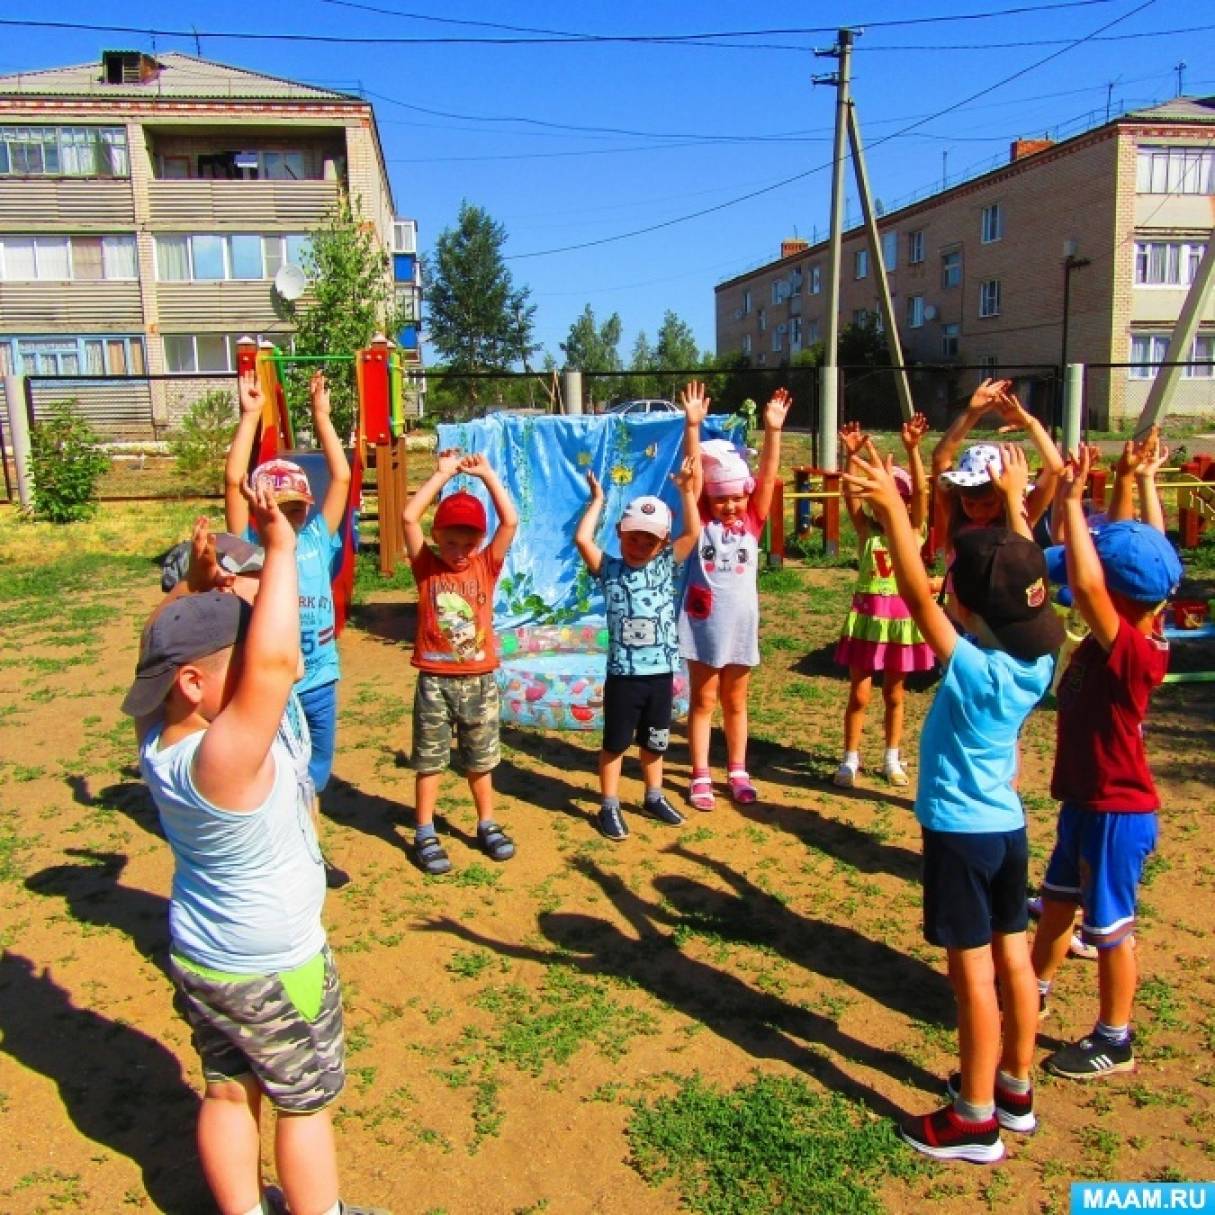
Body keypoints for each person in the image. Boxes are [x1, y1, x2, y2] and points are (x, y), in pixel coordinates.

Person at [122, 481, 386, 1215]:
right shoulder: (226, 762)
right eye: (241, 657)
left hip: (206, 955)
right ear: (194, 681)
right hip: (277, 965)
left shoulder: (158, 737)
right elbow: (275, 669)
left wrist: (192, 592)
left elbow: (170, 654)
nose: (264, 663)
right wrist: (279, 548)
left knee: (226, 1087)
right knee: (302, 1103)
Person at [844, 439, 1063, 1165]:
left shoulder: (970, 670)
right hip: (1006, 831)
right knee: (1013, 963)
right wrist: (1017, 503)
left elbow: (913, 589)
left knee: (972, 973)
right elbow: (1021, 567)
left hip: (961, 836)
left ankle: (973, 1119)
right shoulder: (1035, 661)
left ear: (960, 601)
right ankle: (1014, 1089)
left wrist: (894, 515)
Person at [1030, 447, 1182, 1080]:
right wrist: (1135, 482)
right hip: (1086, 804)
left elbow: (1096, 584)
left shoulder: (1133, 654)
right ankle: (1030, 987)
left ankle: (1114, 1037)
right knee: (1058, 902)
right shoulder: (1126, 626)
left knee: (1111, 927)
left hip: (1118, 813)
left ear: (1113, 605)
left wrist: (1070, 501)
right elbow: (1149, 555)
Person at [226, 368, 353, 889]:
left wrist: (322, 418)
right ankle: (277, 859)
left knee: (314, 773)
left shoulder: (318, 537)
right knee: (276, 774)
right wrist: (251, 416)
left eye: (296, 505)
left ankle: (310, 853)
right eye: (276, 506)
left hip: (320, 678)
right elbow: (233, 483)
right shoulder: (250, 548)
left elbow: (342, 478)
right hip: (273, 687)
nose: (289, 514)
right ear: (260, 510)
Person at [402, 448, 519, 875]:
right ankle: (424, 830)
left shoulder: (486, 565)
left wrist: (488, 474)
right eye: (451, 541)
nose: (459, 550)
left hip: (479, 680)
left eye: (468, 542)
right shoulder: (426, 567)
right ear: (437, 537)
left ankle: (486, 823)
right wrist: (440, 475)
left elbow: (510, 521)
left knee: (481, 759)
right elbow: (409, 518)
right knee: (430, 761)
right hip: (434, 680)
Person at [678, 380, 791, 810]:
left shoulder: (754, 522)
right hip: (704, 626)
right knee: (704, 701)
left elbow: (767, 476)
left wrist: (773, 431)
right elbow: (695, 477)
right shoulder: (700, 519)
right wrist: (694, 427)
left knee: (736, 701)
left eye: (735, 498)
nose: (729, 506)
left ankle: (738, 769)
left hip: (742, 627)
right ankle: (701, 774)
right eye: (720, 499)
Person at [574, 456, 700, 841]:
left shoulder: (664, 566)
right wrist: (597, 499)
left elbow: (693, 533)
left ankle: (653, 795)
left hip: (660, 674)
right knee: (615, 743)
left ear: (662, 542)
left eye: (650, 540)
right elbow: (582, 539)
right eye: (633, 537)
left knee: (655, 742)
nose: (640, 545)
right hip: (624, 678)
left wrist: (686, 491)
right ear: (619, 533)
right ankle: (609, 805)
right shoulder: (609, 568)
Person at [833, 415, 936, 789]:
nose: (887, 506)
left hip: (901, 625)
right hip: (867, 623)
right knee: (858, 694)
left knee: (895, 694)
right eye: (880, 499)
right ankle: (850, 760)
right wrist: (850, 456)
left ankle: (892, 758)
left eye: (898, 498)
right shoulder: (867, 533)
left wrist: (913, 450)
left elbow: (924, 493)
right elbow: (850, 496)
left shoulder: (913, 533)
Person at [933, 378, 1063, 546]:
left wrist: (1031, 424)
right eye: (970, 504)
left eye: (988, 504)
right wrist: (971, 413)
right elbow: (940, 459)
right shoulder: (956, 519)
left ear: (1003, 495)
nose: (978, 512)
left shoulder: (1020, 516)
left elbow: (1055, 470)